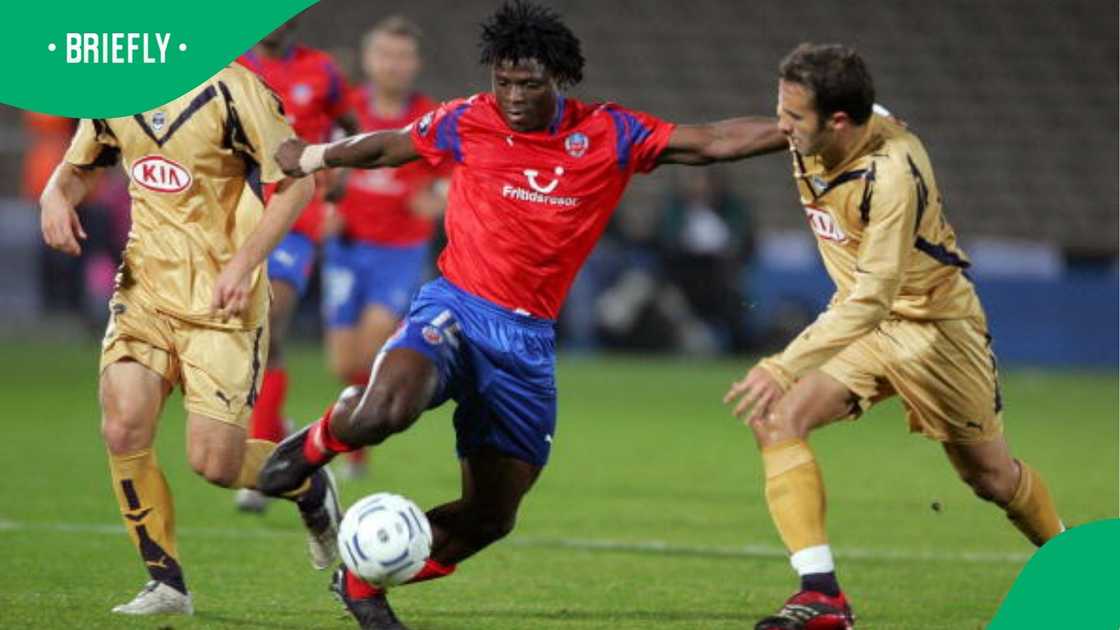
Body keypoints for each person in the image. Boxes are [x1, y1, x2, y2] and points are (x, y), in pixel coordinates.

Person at [259, 2, 786, 628]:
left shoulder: (611, 133)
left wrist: (802, 129)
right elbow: (390, 148)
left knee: (491, 518)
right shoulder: (469, 119)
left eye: (528, 84)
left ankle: (362, 582)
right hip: (454, 307)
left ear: (558, 79)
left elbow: (714, 141)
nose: (511, 96)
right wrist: (317, 157)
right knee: (385, 410)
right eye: (502, 81)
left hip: (526, 343)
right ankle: (312, 448)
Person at [722, 43, 1064, 630]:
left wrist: (784, 362)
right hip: (863, 323)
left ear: (837, 121)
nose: (781, 126)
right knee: (776, 418)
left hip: (932, 330)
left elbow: (874, 296)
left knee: (989, 477)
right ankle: (821, 594)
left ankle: (1072, 564)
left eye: (793, 117)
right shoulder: (837, 126)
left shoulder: (893, 173)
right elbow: (870, 110)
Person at [38, 63, 340, 616]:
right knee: (123, 423)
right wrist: (54, 196)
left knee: (216, 464)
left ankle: (307, 485)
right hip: (145, 290)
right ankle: (166, 583)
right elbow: (82, 162)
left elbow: (298, 183)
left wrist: (246, 262)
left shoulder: (235, 90)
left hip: (223, 301)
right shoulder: (114, 86)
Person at [234, 20, 360, 511]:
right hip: (238, 208)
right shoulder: (233, 65)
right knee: (246, 334)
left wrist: (341, 170)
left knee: (269, 325)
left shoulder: (321, 70)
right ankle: (272, 430)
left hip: (297, 211)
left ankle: (260, 469)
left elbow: (349, 122)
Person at [323, 15, 448, 479]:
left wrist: (434, 201)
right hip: (346, 249)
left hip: (399, 251)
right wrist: (325, 208)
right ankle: (357, 439)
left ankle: (351, 449)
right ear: (369, 59)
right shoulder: (347, 110)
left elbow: (457, 182)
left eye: (402, 56)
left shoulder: (432, 118)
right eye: (385, 54)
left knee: (372, 340)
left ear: (415, 64)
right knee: (344, 362)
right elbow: (322, 169)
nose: (393, 65)